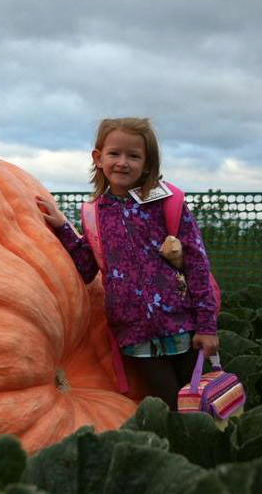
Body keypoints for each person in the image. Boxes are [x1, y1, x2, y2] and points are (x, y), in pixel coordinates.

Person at [36, 117, 219, 411]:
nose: (123, 162)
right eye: (114, 154)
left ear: (147, 163)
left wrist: (207, 326)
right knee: (171, 407)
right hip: (134, 335)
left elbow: (197, 264)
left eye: (133, 156)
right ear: (98, 158)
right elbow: (87, 267)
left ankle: (208, 453)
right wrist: (63, 228)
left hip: (181, 326)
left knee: (201, 404)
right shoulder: (96, 213)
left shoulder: (166, 203)